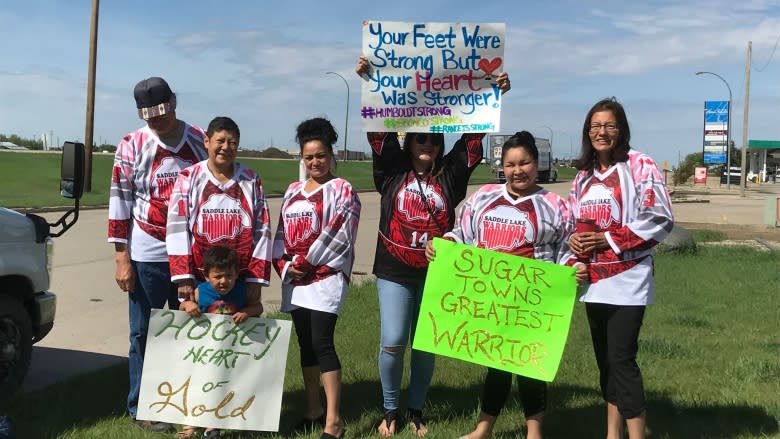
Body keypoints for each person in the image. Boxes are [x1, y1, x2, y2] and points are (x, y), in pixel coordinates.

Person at [354, 56, 511, 437]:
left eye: (434, 139)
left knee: (424, 343)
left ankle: (416, 410)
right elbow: (379, 128)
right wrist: (371, 80)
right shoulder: (391, 168)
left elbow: (473, 136)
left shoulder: (452, 174)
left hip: (436, 272)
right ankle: (390, 408)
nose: (427, 144)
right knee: (392, 340)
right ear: (409, 143)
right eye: (420, 138)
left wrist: (493, 91)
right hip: (393, 267)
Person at [425, 131, 581, 439]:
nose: (517, 170)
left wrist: (573, 268)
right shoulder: (484, 197)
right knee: (495, 365)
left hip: (533, 301)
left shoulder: (555, 205)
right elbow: (462, 235)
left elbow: (567, 249)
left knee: (530, 367)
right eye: (510, 164)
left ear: (537, 164)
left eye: (524, 163)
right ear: (501, 166)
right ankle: (483, 430)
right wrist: (443, 245)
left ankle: (534, 433)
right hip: (491, 300)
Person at [567, 97, 674, 439]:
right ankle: (612, 434)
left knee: (622, 360)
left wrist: (607, 240)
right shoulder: (582, 177)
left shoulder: (640, 165)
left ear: (621, 129)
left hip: (629, 278)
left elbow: (660, 218)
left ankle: (637, 434)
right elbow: (574, 225)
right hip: (594, 283)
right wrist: (575, 249)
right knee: (606, 363)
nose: (602, 132)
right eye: (595, 126)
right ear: (587, 132)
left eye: (609, 125)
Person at [108, 76, 208, 432]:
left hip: (191, 253)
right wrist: (122, 259)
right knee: (143, 332)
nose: (158, 122)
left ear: (174, 103)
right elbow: (120, 201)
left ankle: (189, 400)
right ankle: (143, 404)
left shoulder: (198, 139)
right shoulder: (131, 145)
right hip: (146, 252)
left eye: (162, 114)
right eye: (150, 117)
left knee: (189, 328)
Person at [272, 118, 361, 439]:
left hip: (325, 278)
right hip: (295, 280)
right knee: (305, 345)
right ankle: (313, 409)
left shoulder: (343, 190)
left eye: (321, 155)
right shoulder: (293, 191)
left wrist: (306, 263)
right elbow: (281, 233)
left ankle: (334, 420)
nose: (315, 162)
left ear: (331, 155)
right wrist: (283, 266)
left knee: (323, 343)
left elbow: (339, 235)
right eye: (309, 157)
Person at [166, 116, 271, 310]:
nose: (226, 147)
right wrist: (183, 276)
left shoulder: (250, 179)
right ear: (207, 141)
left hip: (237, 279)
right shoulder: (189, 177)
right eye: (220, 141)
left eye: (232, 143)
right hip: (200, 279)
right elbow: (177, 227)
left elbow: (262, 230)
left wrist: (257, 278)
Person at [177, 246, 264, 438]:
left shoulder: (243, 290)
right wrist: (188, 304)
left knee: (231, 384)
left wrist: (247, 312)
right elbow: (182, 307)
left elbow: (258, 307)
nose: (224, 281)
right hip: (205, 351)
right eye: (218, 277)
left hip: (233, 351)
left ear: (236, 275)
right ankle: (191, 424)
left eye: (229, 276)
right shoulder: (200, 291)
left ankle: (218, 425)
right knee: (201, 385)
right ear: (206, 275)